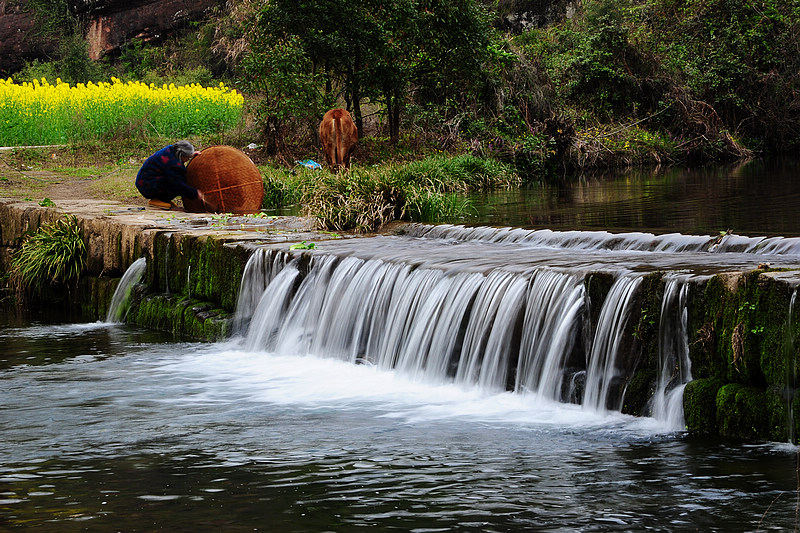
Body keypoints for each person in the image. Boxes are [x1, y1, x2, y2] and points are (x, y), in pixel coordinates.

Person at [136, 140, 206, 210]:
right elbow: (178, 184)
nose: (188, 159)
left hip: (146, 179)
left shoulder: (171, 150)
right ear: (181, 155)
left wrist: (191, 154)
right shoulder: (172, 163)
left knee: (179, 178)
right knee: (178, 183)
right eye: (187, 157)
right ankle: (158, 199)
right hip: (147, 185)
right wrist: (195, 193)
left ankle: (163, 199)